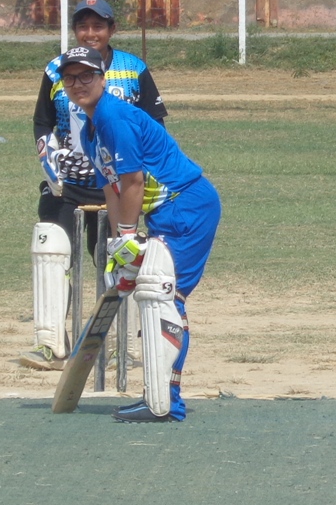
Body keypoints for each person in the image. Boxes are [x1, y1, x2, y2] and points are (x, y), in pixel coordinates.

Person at [58, 45, 221, 423]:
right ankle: (160, 398)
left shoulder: (114, 117)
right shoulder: (92, 130)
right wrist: (118, 245)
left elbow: (134, 182)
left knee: (163, 297)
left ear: (103, 79)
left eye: (86, 76)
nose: (78, 84)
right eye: (70, 78)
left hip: (186, 204)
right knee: (157, 295)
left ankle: (165, 403)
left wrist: (130, 235)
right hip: (169, 211)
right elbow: (112, 189)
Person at [21, 0, 166, 371]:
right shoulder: (56, 69)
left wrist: (141, 175)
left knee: (120, 256)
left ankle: (122, 347)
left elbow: (154, 125)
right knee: (51, 249)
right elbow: (42, 122)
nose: (90, 33)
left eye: (98, 26)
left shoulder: (132, 69)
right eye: (83, 27)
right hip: (68, 185)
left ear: (111, 29)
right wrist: (51, 160)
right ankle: (50, 344)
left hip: (119, 186)